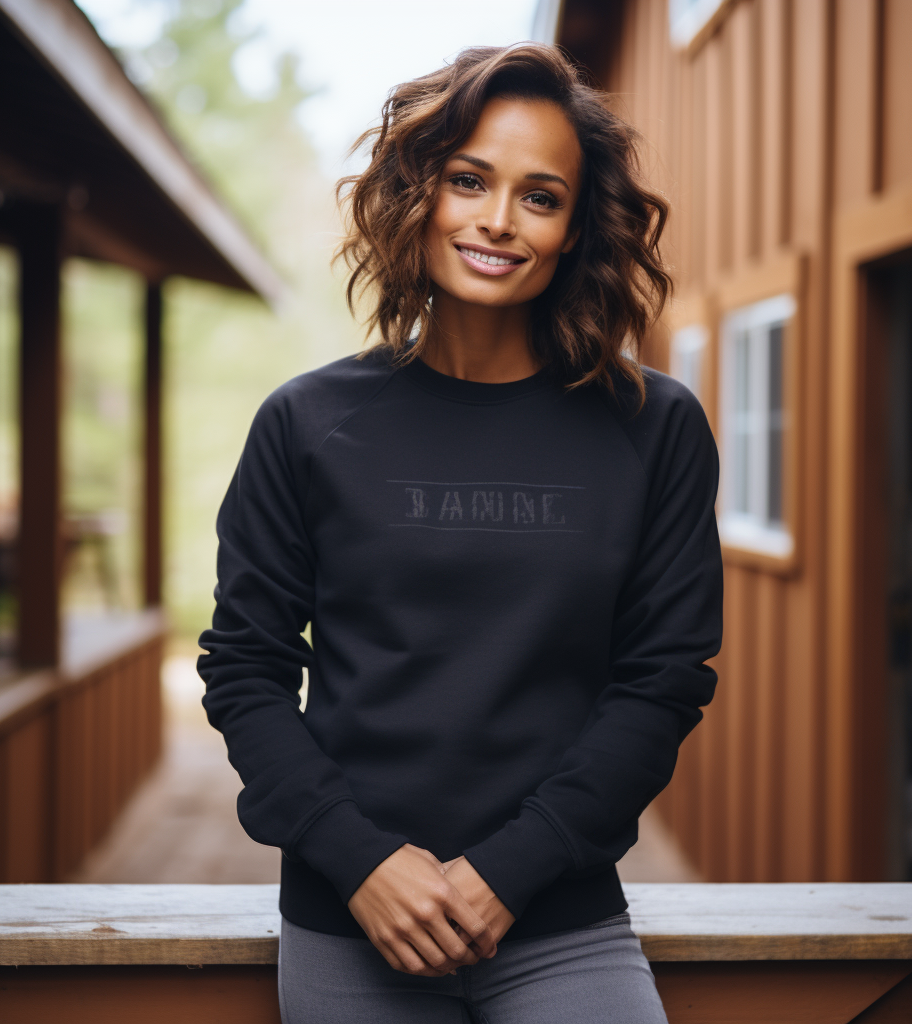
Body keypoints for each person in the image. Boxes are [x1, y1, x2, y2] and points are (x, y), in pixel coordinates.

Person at [198, 43, 722, 1024]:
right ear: (417, 195)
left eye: (539, 195)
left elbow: (661, 682)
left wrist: (508, 870)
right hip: (352, 917)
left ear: (575, 228)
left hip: (560, 920)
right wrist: (360, 859)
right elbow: (244, 667)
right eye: (468, 180)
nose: (495, 220)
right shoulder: (306, 422)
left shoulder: (653, 427)